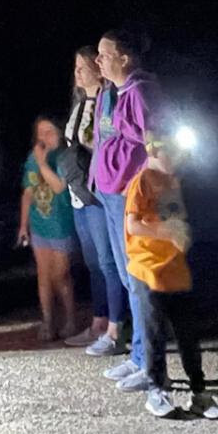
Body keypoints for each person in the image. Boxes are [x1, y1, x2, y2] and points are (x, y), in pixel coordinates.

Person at [124, 127, 218, 420]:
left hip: (176, 270)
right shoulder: (142, 181)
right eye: (173, 153)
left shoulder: (175, 180)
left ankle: (200, 393)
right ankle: (156, 390)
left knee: (188, 335)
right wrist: (166, 231)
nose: (178, 159)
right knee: (154, 333)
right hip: (148, 270)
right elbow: (132, 225)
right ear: (154, 150)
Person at [94, 28, 161, 394]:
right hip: (111, 193)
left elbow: (155, 143)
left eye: (105, 54)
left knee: (140, 281)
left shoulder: (140, 91)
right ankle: (138, 356)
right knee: (127, 278)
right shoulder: (117, 93)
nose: (98, 60)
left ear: (125, 57)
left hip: (131, 196)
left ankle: (152, 365)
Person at [63, 46, 128, 354]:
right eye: (75, 67)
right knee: (93, 264)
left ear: (96, 70)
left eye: (82, 67)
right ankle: (99, 322)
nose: (77, 72)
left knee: (108, 261)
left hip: (100, 193)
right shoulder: (80, 104)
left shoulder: (107, 101)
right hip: (79, 195)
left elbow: (106, 143)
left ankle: (117, 327)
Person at [17, 115, 80, 342]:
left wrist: (43, 163)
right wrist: (23, 225)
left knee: (61, 275)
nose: (44, 138)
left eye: (49, 132)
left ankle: (71, 320)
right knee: (43, 276)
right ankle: (48, 321)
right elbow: (28, 191)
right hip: (39, 225)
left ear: (60, 133)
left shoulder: (64, 157)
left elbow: (59, 186)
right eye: (40, 133)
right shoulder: (31, 158)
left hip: (61, 224)